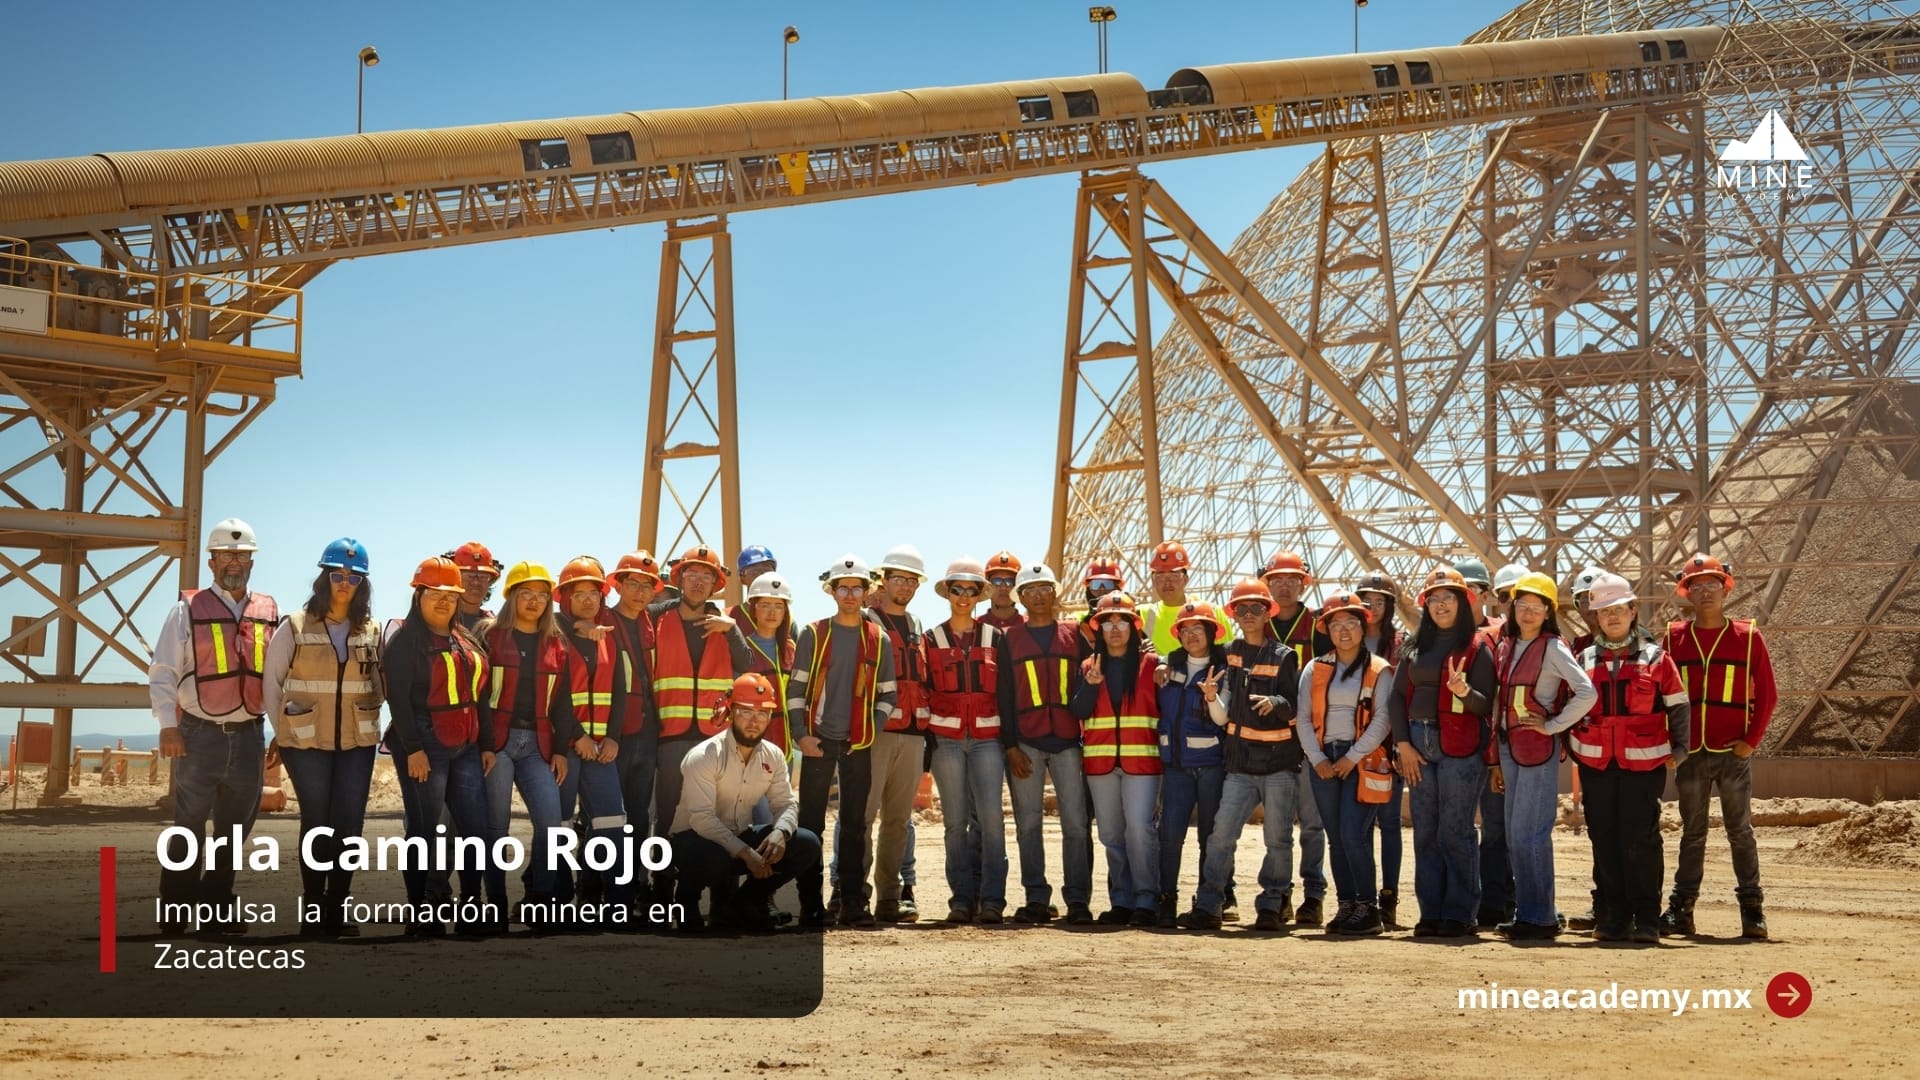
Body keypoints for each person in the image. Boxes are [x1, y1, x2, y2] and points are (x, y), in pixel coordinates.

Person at [150, 517, 279, 935]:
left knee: (234, 831)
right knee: (188, 826)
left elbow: (277, 678)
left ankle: (217, 909)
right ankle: (174, 908)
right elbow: (163, 671)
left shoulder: (269, 611)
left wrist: (280, 729)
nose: (234, 562)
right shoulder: (186, 610)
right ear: (211, 561)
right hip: (197, 735)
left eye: (242, 555)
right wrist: (168, 725)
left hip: (248, 735)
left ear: (252, 562)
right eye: (226, 554)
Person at [262, 536, 382, 938]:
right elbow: (271, 685)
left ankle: (336, 910)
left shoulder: (372, 630)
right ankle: (313, 913)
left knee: (350, 826)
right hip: (306, 745)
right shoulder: (293, 626)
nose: (344, 582)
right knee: (317, 825)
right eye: (337, 574)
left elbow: (379, 684)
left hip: (357, 744)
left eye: (353, 576)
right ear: (324, 578)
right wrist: (285, 734)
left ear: (362, 584)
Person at [1659, 553, 1777, 941]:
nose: (1705, 592)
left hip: (1732, 753)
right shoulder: (1675, 638)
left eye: (1712, 585)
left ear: (1725, 590)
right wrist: (1671, 744)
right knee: (1692, 833)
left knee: (1740, 831)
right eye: (1697, 586)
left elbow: (1768, 694)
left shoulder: (1748, 637)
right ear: (1687, 594)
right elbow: (1662, 695)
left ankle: (1752, 912)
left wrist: (1750, 742)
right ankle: (1682, 910)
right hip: (1691, 754)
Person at [1567, 571, 1689, 944]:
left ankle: (1647, 918)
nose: (1613, 617)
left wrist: (1680, 749)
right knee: (1604, 839)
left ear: (1633, 611)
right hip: (1597, 765)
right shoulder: (1583, 658)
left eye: (1619, 609)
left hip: (1644, 765)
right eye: (1605, 612)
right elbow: (1569, 705)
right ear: (1596, 617)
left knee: (1641, 839)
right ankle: (1614, 918)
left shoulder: (1656, 657)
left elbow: (1678, 706)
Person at [1184, 580, 1302, 932]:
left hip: (1278, 763)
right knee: (1221, 835)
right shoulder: (1231, 652)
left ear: (1268, 613)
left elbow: (1296, 705)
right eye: (1241, 609)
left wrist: (1276, 703)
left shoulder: (1284, 656)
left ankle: (1272, 903)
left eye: (1256, 608)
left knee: (1277, 838)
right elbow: (1225, 713)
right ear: (1233, 614)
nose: (1248, 615)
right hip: (1239, 765)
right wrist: (1210, 698)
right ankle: (1209, 904)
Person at [383, 556, 491, 936]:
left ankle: (470, 907)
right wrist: (414, 750)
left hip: (467, 743)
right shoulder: (404, 643)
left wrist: (488, 744)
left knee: (473, 828)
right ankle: (422, 914)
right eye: (435, 594)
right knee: (424, 831)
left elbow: (481, 697)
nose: (444, 601)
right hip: (424, 742)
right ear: (419, 595)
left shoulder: (467, 639)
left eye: (451, 595)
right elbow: (397, 700)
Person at [789, 554, 897, 928]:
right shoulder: (814, 634)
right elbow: (797, 691)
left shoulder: (878, 639)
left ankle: (853, 903)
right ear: (832, 592)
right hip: (817, 743)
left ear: (867, 592)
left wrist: (871, 732)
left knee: (854, 825)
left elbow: (888, 695)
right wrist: (801, 736)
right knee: (809, 827)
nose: (850, 595)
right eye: (843, 588)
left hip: (857, 745)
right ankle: (810, 906)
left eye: (857, 588)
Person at [1388, 567, 1497, 938]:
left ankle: (1460, 913)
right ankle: (1431, 911)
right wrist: (1402, 745)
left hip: (1461, 749)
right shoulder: (1414, 646)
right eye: (1433, 599)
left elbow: (1486, 707)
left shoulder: (1478, 648)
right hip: (1418, 747)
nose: (1440, 605)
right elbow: (1397, 697)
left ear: (1464, 602)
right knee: (1426, 832)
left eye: (1448, 598)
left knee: (1455, 830)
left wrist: (1464, 692)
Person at [1488, 572, 1596, 941]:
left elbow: (1587, 692)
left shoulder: (1552, 647)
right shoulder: (1507, 644)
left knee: (1529, 835)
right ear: (1513, 607)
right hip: (1509, 747)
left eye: (1537, 607)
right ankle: (1530, 912)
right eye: (1522, 605)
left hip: (1536, 749)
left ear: (1548, 611)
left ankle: (1540, 916)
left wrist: (1552, 725)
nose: (1528, 612)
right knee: (1516, 836)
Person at [669, 673, 822, 931]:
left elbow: (786, 803)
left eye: (762, 713)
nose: (754, 721)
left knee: (806, 843)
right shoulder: (705, 756)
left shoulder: (773, 756)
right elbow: (702, 819)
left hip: (736, 835)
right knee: (714, 856)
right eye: (746, 712)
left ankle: (742, 904)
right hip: (694, 839)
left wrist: (780, 833)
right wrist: (746, 853)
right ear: (731, 712)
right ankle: (686, 902)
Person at [648, 544, 755, 902]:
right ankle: (662, 893)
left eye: (705, 576)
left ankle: (720, 896)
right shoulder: (658, 616)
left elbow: (748, 662)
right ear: (678, 579)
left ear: (715, 584)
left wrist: (732, 629)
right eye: (690, 574)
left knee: (718, 816)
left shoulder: (726, 624)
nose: (697, 581)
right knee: (666, 817)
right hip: (671, 736)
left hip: (714, 736)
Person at [997, 561, 1094, 925]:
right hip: (1027, 743)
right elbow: (1004, 695)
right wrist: (1010, 746)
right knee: (1029, 825)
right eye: (1030, 591)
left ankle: (1079, 900)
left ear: (1055, 593)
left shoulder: (1074, 635)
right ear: (1020, 598)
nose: (1038, 596)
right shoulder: (1010, 639)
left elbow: (1089, 685)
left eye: (1044, 589)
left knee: (1075, 823)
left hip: (1068, 742)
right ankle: (1036, 897)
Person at [477, 561, 571, 930]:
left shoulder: (556, 643)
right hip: (498, 744)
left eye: (541, 596)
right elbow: (479, 696)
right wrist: (485, 745)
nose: (534, 602)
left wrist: (560, 750)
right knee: (496, 827)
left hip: (539, 746)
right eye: (526, 594)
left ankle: (540, 905)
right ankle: (495, 906)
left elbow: (562, 702)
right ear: (511, 597)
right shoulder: (489, 636)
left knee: (550, 826)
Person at [1297, 591, 1395, 936]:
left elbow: (1383, 719)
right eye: (1336, 624)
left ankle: (1368, 908)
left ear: (1362, 627)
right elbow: (1304, 718)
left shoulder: (1379, 670)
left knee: (1354, 833)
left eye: (1351, 623)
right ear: (1326, 629)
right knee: (1337, 837)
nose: (1343, 630)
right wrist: (1319, 759)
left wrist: (1352, 758)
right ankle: (1347, 905)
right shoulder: (1315, 668)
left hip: (1363, 760)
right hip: (1324, 760)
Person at [1071, 591, 1162, 927]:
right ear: (1098, 629)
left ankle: (1146, 899)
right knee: (1110, 834)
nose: (1114, 628)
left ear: (1134, 626)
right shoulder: (1088, 667)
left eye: (1121, 621)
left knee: (1139, 829)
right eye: (1107, 622)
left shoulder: (1153, 666)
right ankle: (1121, 900)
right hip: (1101, 764)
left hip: (1142, 763)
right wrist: (1091, 686)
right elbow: (1078, 711)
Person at [925, 558, 1009, 924]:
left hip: (987, 740)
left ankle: (992, 900)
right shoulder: (930, 639)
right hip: (946, 742)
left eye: (970, 589)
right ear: (948, 593)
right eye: (956, 589)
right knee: (955, 823)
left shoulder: (996, 639)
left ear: (978, 595)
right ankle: (960, 900)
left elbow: (1007, 692)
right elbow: (924, 692)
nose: (962, 596)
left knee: (991, 821)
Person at [552, 556, 635, 919]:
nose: (587, 600)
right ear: (564, 599)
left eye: (594, 594)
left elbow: (620, 693)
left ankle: (618, 903)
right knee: (559, 826)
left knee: (612, 822)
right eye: (579, 593)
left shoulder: (609, 641)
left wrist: (613, 738)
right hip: (565, 748)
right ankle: (555, 902)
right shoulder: (552, 637)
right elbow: (554, 695)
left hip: (602, 749)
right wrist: (577, 737)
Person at [857, 544, 934, 923]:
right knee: (862, 817)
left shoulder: (919, 627)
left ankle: (889, 898)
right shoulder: (864, 622)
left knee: (897, 822)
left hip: (913, 735)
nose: (904, 585)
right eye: (897, 578)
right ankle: (852, 893)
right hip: (875, 734)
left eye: (911, 580)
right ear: (883, 581)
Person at [1259, 548, 1327, 927]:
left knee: (1313, 824)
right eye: (1277, 580)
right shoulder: (1258, 624)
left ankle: (1313, 895)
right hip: (1271, 740)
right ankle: (1279, 894)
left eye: (1291, 580)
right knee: (1278, 825)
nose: (1284, 587)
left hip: (1310, 737)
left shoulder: (1318, 626)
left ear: (1305, 583)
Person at [1155, 601, 1229, 930]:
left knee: (1209, 837)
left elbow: (1223, 718)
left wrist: (1212, 696)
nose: (1191, 635)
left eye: (1198, 629)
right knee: (1169, 835)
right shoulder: (1169, 668)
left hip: (1211, 766)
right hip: (1176, 768)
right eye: (1184, 630)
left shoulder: (1224, 668)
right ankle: (1165, 900)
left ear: (1212, 633)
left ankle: (1208, 902)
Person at [1455, 555, 1513, 930]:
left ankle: (1497, 901)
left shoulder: (1502, 632)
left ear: (1485, 594)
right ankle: (1464, 899)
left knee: (1496, 826)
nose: (1465, 598)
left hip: (1492, 744)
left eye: (1472, 590)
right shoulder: (1439, 634)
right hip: (1455, 744)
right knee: (1458, 826)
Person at [603, 550, 661, 895]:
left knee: (639, 814)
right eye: (633, 583)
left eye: (646, 586)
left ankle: (635, 886)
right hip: (614, 733)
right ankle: (599, 889)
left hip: (648, 732)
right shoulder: (602, 621)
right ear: (618, 585)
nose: (640, 592)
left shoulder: (652, 622)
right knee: (609, 814)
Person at [1355, 571, 1407, 927]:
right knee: (1359, 826)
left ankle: (1388, 898)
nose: (1371, 606)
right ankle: (1363, 898)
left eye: (1378, 601)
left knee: (1388, 823)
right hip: (1354, 745)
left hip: (1389, 746)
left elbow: (1404, 696)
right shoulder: (1346, 639)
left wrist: (1403, 742)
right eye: (1365, 600)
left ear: (1389, 605)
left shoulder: (1402, 645)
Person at [1141, 540, 1233, 656]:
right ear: (1153, 581)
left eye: (1174, 576)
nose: (1167, 583)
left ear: (1185, 579)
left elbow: (1229, 656)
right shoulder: (1143, 614)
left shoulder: (1212, 612)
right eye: (1160, 577)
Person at [446, 540, 504, 634]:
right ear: (455, 579)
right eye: (470, 576)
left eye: (483, 577)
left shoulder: (497, 628)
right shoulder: (439, 622)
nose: (476, 582)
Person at [1075, 557, 1126, 652]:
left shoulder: (1131, 621)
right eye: (1096, 584)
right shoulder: (1078, 624)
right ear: (1088, 589)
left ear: (1117, 588)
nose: (1102, 589)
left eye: (1108, 584)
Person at [978, 550, 1026, 631]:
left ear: (1018, 588)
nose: (1003, 587)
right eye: (997, 581)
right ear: (987, 587)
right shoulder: (974, 627)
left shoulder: (1032, 627)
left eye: (1010, 582)